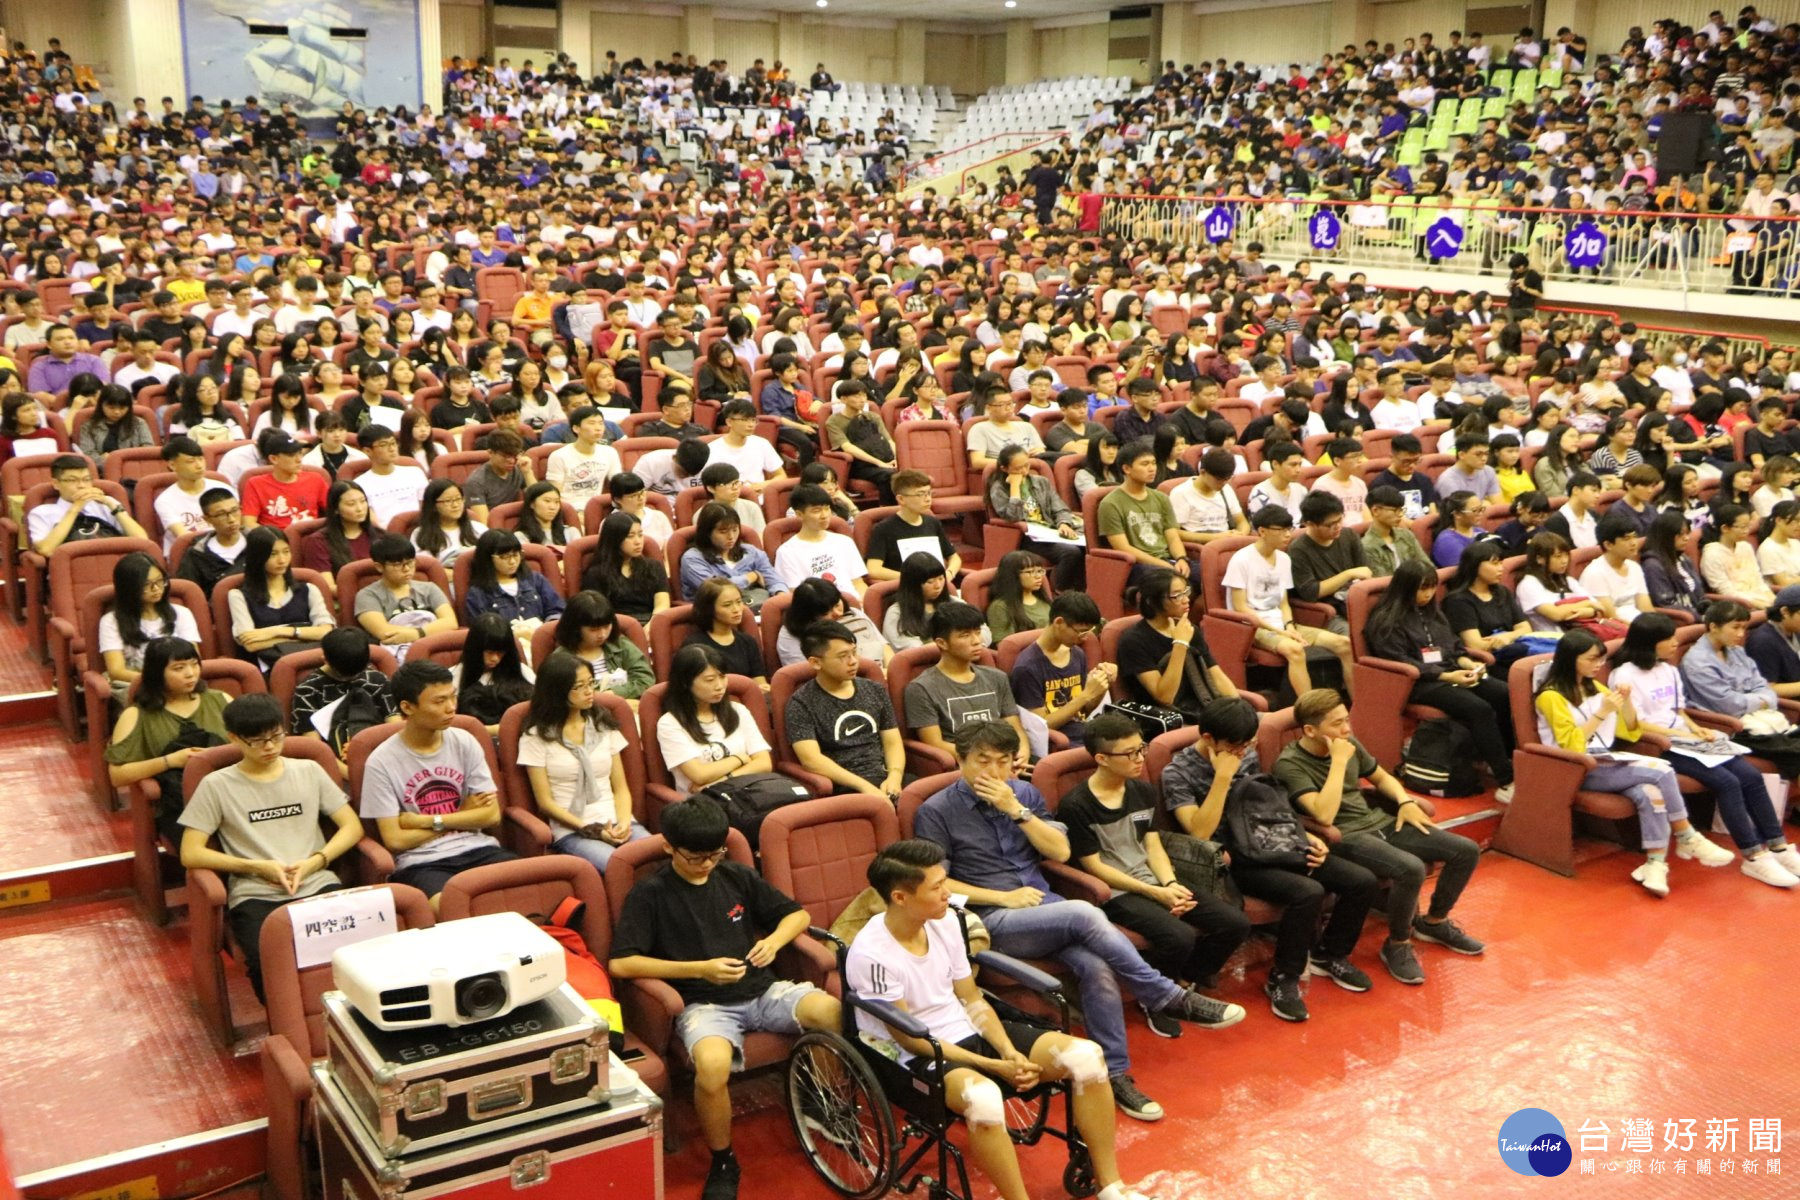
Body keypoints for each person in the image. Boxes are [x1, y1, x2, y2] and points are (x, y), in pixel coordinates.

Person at [914, 721, 1236, 1123]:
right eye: (983, 763)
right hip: (992, 919)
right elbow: (936, 884)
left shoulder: (1025, 794)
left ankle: (1115, 1074)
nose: (994, 773)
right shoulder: (936, 811)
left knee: (1097, 968)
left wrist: (1015, 811)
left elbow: (1061, 851)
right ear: (960, 761)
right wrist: (1002, 896)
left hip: (1047, 910)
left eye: (1003, 762)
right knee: (1084, 911)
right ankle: (1165, 995)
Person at [848, 839, 1164, 1200]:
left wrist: (1008, 1051)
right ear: (901, 897)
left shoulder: (947, 920)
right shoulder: (872, 954)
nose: (947, 892)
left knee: (1087, 1058)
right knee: (982, 1098)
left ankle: (1111, 1187)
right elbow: (909, 1038)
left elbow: (970, 997)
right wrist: (993, 1066)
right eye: (936, 887)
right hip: (908, 1052)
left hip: (962, 1029)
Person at [609, 796, 842, 1200]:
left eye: (714, 855)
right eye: (696, 857)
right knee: (713, 1068)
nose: (707, 864)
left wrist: (773, 942)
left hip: (761, 989)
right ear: (669, 847)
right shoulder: (650, 894)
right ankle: (723, 1159)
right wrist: (699, 969)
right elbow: (623, 964)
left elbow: (797, 915)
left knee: (831, 1011)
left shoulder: (736, 875)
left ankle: (815, 1100)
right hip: (704, 1004)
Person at [1162, 696, 1380, 1023]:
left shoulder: (1246, 752)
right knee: (1306, 892)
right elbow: (1200, 833)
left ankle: (1329, 955)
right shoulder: (1176, 773)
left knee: (1361, 881)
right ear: (1208, 739)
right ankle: (1284, 977)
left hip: (1270, 839)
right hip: (1232, 859)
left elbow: (1267, 803)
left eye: (1247, 745)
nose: (1243, 752)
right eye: (1236, 747)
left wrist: (1303, 835)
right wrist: (1222, 777)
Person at [1276, 686, 1486, 984]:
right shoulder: (1290, 764)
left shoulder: (1348, 742)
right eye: (1337, 724)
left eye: (1346, 719)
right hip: (1343, 836)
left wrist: (1405, 802)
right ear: (1310, 730)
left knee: (1464, 850)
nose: (1346, 728)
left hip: (1377, 820)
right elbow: (1322, 814)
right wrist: (1337, 762)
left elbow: (1380, 776)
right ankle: (1398, 944)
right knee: (1409, 868)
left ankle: (1433, 922)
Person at [1060, 711, 1254, 1006]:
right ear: (1102, 759)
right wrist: (1156, 893)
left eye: (1142, 748)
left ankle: (1184, 980)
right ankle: (1155, 999)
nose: (1140, 758)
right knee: (1178, 937)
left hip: (1152, 878)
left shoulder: (1142, 790)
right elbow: (1095, 867)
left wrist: (1171, 883)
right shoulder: (1076, 805)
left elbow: (1152, 845)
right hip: (1116, 891)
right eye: (1130, 753)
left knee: (1234, 923)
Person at [177, 693, 362, 1001]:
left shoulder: (308, 771)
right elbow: (191, 852)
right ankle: (288, 1027)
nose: (270, 748)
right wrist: (256, 867)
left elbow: (351, 826)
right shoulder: (216, 785)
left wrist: (316, 861)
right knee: (268, 963)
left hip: (316, 881)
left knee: (351, 955)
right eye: (257, 741)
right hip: (256, 894)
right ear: (234, 738)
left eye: (276, 737)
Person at [1535, 630, 1733, 898]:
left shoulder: (1597, 689)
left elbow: (1630, 731)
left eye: (1601, 660)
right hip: (1573, 767)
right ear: (1571, 659)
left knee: (1650, 794)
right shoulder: (1550, 696)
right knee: (1662, 770)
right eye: (1592, 659)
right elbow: (1572, 745)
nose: (1598, 665)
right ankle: (1686, 836)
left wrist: (1625, 702)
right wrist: (1602, 712)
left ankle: (1655, 864)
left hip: (1604, 759)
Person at [1609, 614, 1800, 888]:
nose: (1676, 643)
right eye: (1669, 639)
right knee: (1728, 782)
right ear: (1650, 642)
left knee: (1751, 776)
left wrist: (1695, 729)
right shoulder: (1624, 675)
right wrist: (1680, 734)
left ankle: (1779, 847)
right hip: (1659, 745)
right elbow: (1634, 724)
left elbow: (1678, 711)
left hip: (1687, 739)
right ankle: (1754, 856)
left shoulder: (1668, 669)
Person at [359, 659, 517, 906]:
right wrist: (464, 815)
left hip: (480, 848)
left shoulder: (465, 741)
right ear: (407, 707)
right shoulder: (381, 762)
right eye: (439, 701)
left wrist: (427, 821)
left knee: (526, 893)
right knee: (451, 908)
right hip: (423, 863)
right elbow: (396, 840)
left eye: (452, 697)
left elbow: (491, 815)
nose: (451, 708)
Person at [1360, 559, 1516, 798]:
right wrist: (1446, 675)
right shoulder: (1385, 619)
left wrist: (1468, 663)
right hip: (1416, 683)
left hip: (1450, 672)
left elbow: (1453, 645)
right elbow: (1401, 661)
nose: (1428, 594)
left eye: (1432, 587)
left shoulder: (1434, 612)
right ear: (1406, 587)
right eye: (1422, 588)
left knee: (1504, 693)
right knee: (1478, 708)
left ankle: (1500, 758)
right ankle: (1506, 779)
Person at [518, 651, 650, 870]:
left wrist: (625, 822)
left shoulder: (602, 725)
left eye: (591, 683)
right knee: (617, 866)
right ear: (557, 691)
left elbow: (620, 788)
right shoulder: (536, 737)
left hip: (618, 821)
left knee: (657, 857)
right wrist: (592, 829)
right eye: (579, 687)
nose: (589, 692)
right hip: (574, 829)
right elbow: (545, 802)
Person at [105, 637, 231, 843]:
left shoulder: (221, 700)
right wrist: (170, 761)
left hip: (229, 793)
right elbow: (117, 776)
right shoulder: (136, 715)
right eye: (179, 668)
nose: (190, 673)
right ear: (157, 674)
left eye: (194, 665)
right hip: (179, 803)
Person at [1224, 506, 1352, 699]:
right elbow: (1241, 607)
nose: (1288, 535)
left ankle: (1357, 706)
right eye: (1281, 530)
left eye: (1289, 529)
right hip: (1251, 626)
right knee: (1295, 649)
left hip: (1280, 624)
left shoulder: (1284, 559)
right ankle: (1309, 709)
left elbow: (1283, 603)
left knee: (1344, 644)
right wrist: (1281, 632)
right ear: (1262, 531)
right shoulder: (1241, 559)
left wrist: (1289, 626)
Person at [1680, 600, 1800, 780]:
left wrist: (1759, 699)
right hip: (1731, 727)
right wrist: (1762, 700)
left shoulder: (1736, 651)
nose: (1741, 634)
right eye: (1735, 627)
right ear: (1713, 627)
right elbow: (1729, 705)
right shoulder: (1697, 662)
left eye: (1744, 628)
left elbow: (1763, 686)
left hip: (1762, 721)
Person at [786, 620, 906, 800]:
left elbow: (892, 742)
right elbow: (811, 760)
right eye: (843, 656)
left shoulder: (875, 690)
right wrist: (864, 786)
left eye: (854, 652)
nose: (853, 661)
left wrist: (895, 777)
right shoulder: (801, 703)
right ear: (816, 662)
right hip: (846, 786)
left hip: (886, 778)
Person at [904, 602, 1032, 765]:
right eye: (965, 635)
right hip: (964, 767)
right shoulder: (921, 688)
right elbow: (934, 743)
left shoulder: (997, 677)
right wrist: (991, 759)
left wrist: (1023, 750)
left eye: (978, 633)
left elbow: (1014, 725)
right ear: (942, 643)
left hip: (1005, 759)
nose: (977, 641)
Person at [655, 643, 774, 798]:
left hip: (750, 795)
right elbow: (699, 774)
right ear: (685, 682)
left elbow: (764, 763)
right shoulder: (670, 723)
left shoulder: (738, 710)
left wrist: (721, 780)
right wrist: (740, 758)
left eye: (722, 676)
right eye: (710, 680)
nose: (719, 686)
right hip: (705, 804)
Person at [1012, 591, 1114, 746]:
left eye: (1089, 631)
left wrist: (1102, 685)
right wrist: (1086, 695)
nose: (1085, 638)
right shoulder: (1027, 667)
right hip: (1059, 742)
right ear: (1059, 622)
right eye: (1081, 631)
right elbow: (1041, 727)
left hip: (1082, 731)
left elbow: (1083, 712)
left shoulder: (1077, 654)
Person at [227, 526, 334, 670]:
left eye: (286, 551)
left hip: (313, 662)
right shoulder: (238, 596)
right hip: (271, 668)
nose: (282, 560)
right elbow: (251, 644)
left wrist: (275, 632)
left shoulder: (308, 589)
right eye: (273, 554)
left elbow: (326, 632)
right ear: (257, 557)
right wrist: (306, 633)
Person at [985, 445, 1085, 591]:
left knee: (1085, 546)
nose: (1024, 471)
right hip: (1026, 536)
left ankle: (1080, 589)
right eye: (1018, 468)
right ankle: (1059, 590)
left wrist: (1064, 523)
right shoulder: (998, 488)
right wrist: (1014, 489)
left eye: (1027, 465)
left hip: (1050, 530)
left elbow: (1060, 507)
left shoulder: (1040, 482)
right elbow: (1013, 517)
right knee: (1070, 552)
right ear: (1004, 469)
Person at [1098, 439, 1188, 585]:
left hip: (1166, 558)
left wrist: (1181, 559)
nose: (1152, 468)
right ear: (1127, 469)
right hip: (1137, 565)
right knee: (1168, 581)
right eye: (1145, 464)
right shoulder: (1110, 503)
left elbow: (1172, 537)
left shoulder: (1161, 498)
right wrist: (1164, 566)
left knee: (1202, 573)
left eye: (1153, 463)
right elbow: (1123, 548)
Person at [289, 626, 398, 745]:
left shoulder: (377, 679)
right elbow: (313, 744)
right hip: (334, 752)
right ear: (325, 660)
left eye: (357, 674)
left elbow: (394, 725)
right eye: (342, 675)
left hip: (377, 747)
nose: (349, 678)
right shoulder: (307, 691)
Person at [29, 453, 148, 556]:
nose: (82, 485)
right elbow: (46, 550)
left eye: (86, 479)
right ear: (55, 483)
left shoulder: (107, 505)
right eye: (72, 480)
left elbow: (142, 541)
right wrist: (75, 509)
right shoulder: (41, 512)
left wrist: (112, 506)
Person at [1288, 491, 1372, 630]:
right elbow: (1311, 592)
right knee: (1354, 634)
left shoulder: (1348, 535)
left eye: (1340, 520)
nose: (1338, 526)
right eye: (1330, 524)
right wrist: (1348, 574)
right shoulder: (1298, 550)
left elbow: (1366, 571)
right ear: (1310, 524)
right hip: (1328, 611)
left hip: (1355, 602)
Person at [355, 534, 458, 645]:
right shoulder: (367, 596)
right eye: (398, 564)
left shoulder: (429, 588)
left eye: (410, 562)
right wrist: (432, 630)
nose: (407, 569)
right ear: (379, 567)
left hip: (435, 645)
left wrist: (417, 634)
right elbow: (384, 632)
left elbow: (451, 622)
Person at [679, 502, 784, 609]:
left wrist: (780, 594)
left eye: (735, 530)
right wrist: (751, 577)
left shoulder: (751, 552)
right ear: (707, 532)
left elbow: (774, 579)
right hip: (715, 614)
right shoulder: (693, 558)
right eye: (723, 531)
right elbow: (717, 590)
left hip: (760, 607)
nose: (731, 536)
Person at [1442, 541, 1533, 662]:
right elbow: (1475, 645)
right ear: (1474, 566)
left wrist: (1506, 637)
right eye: (1494, 564)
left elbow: (1526, 628)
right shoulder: (1458, 601)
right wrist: (1510, 637)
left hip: (1515, 652)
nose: (1501, 569)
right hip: (1487, 661)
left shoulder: (1502, 592)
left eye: (1501, 563)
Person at [555, 590, 653, 703]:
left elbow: (645, 679)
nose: (602, 635)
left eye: (607, 627)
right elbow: (561, 697)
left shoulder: (620, 644)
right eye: (594, 630)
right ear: (576, 628)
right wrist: (602, 699)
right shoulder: (561, 658)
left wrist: (614, 694)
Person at [865, 469, 962, 582]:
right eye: (920, 494)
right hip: (905, 589)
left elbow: (954, 557)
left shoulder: (933, 523)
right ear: (901, 499)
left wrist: (949, 573)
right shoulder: (883, 529)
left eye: (929, 493)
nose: (928, 499)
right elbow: (873, 569)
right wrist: (912, 578)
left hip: (938, 585)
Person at [773, 483, 868, 594]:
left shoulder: (844, 542)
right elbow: (794, 594)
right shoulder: (787, 552)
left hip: (852, 606)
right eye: (816, 511)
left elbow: (858, 583)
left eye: (827, 509)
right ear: (799, 514)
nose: (824, 515)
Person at [778, 577, 888, 668]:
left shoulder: (855, 614)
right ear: (808, 614)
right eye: (826, 612)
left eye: (837, 604)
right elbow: (807, 674)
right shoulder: (790, 636)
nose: (837, 613)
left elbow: (884, 648)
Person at [582, 511, 670, 625]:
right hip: (618, 627)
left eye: (640, 534)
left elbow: (662, 604)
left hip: (653, 623)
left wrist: (653, 626)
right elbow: (599, 613)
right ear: (615, 539)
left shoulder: (653, 566)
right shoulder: (596, 574)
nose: (638, 542)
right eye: (630, 536)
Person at [884, 552, 980, 653]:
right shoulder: (896, 613)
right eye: (930, 582)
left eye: (941, 578)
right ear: (913, 584)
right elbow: (911, 649)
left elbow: (982, 630)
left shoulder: (955, 603)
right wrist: (955, 648)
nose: (938, 586)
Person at [175, 487, 250, 599]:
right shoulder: (197, 554)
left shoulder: (258, 541)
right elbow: (189, 596)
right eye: (221, 514)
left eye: (235, 510)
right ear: (207, 519)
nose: (231, 519)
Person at [1578, 515, 1654, 625]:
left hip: (1640, 624)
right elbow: (1611, 618)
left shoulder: (1634, 567)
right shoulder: (1594, 573)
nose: (1634, 543)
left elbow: (1646, 609)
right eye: (1626, 539)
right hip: (1619, 630)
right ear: (1608, 545)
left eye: (1634, 537)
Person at [544, 406, 624, 509]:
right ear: (576, 428)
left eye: (601, 423)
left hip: (597, 509)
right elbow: (554, 496)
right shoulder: (559, 456)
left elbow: (618, 484)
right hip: (569, 510)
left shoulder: (610, 452)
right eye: (592, 423)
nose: (598, 428)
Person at [356, 427, 432, 528]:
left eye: (393, 443)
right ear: (367, 451)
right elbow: (371, 522)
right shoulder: (359, 485)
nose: (392, 449)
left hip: (419, 530)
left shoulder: (415, 473)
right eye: (383, 445)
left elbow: (427, 508)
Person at [1700, 503, 1773, 608]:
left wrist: (1774, 601)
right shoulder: (1712, 554)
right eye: (1742, 527)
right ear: (1725, 528)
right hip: (1737, 605)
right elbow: (1725, 591)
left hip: (1762, 599)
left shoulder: (1745, 547)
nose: (1746, 531)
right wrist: (1761, 605)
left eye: (1748, 526)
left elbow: (1758, 579)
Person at [460, 430, 534, 523]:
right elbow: (484, 523)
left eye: (515, 455)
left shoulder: (519, 468)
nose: (511, 461)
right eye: (506, 456)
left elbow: (538, 499)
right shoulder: (476, 482)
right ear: (490, 453)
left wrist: (528, 472)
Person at [1359, 485, 1431, 578]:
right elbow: (1381, 582)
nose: (1400, 515)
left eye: (1401, 510)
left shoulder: (1406, 535)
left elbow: (1428, 567)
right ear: (1375, 511)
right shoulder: (1367, 546)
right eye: (1395, 510)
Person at [985, 550, 1052, 641]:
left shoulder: (1044, 599)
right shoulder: (1000, 607)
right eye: (1030, 572)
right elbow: (1006, 646)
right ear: (1013, 576)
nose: (1038, 576)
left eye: (1040, 571)